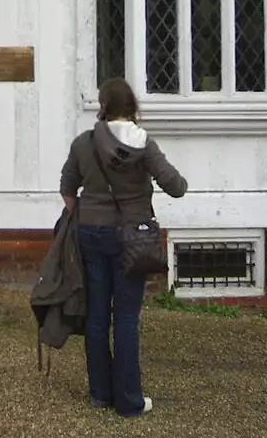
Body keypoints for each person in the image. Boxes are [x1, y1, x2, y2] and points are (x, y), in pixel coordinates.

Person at [59, 77, 188, 417]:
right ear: (132, 106)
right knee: (127, 318)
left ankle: (100, 393)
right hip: (132, 238)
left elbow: (68, 189)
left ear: (102, 105)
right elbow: (176, 187)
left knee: (98, 314)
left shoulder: (83, 144)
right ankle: (129, 401)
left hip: (91, 234)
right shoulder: (144, 144)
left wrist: (86, 217)